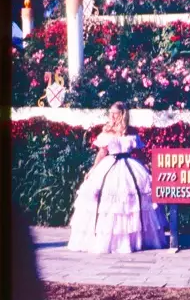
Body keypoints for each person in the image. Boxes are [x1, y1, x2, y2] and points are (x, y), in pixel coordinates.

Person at [67, 102, 167, 253]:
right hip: (110, 165)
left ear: (123, 115)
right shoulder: (107, 131)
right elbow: (102, 153)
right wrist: (93, 169)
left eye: (115, 113)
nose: (112, 116)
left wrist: (146, 165)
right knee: (110, 204)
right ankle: (108, 241)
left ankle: (134, 240)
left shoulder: (131, 132)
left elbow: (138, 152)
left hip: (130, 167)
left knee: (130, 204)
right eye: (111, 113)